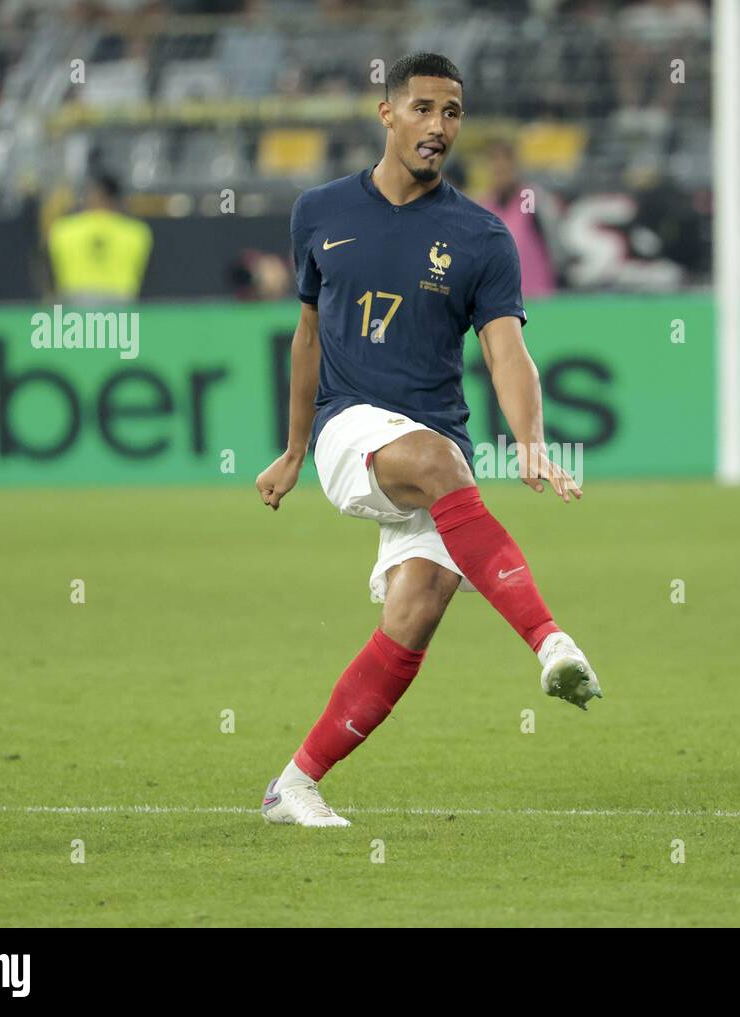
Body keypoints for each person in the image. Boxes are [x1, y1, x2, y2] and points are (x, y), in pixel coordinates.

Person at [255, 52, 602, 828]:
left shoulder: (481, 236)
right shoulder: (320, 210)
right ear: (387, 114)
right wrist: (294, 447)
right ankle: (551, 643)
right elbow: (306, 337)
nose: (437, 127)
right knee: (440, 464)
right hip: (354, 431)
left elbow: (507, 351)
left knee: (414, 611)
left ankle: (293, 784)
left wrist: (532, 441)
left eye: (451, 113)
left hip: (435, 442)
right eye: (422, 108)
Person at [46, 172, 152, 304]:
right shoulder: (137, 232)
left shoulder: (63, 229)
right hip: (121, 304)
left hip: (74, 304)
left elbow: (49, 270)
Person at [477, 138, 560, 298]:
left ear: (515, 164)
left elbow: (553, 242)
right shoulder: (485, 206)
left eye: (505, 161)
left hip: (538, 295)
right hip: (502, 302)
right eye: (494, 161)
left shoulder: (529, 198)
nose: (499, 167)